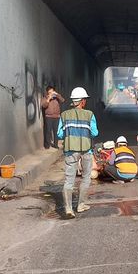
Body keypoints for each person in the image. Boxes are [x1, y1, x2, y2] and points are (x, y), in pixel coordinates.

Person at [57, 87, 98, 218]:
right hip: (86, 150)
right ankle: (81, 205)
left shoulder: (64, 115)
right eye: (85, 99)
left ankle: (68, 209)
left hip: (70, 151)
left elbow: (59, 134)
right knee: (86, 177)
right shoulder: (90, 115)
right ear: (82, 101)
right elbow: (94, 133)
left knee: (69, 180)